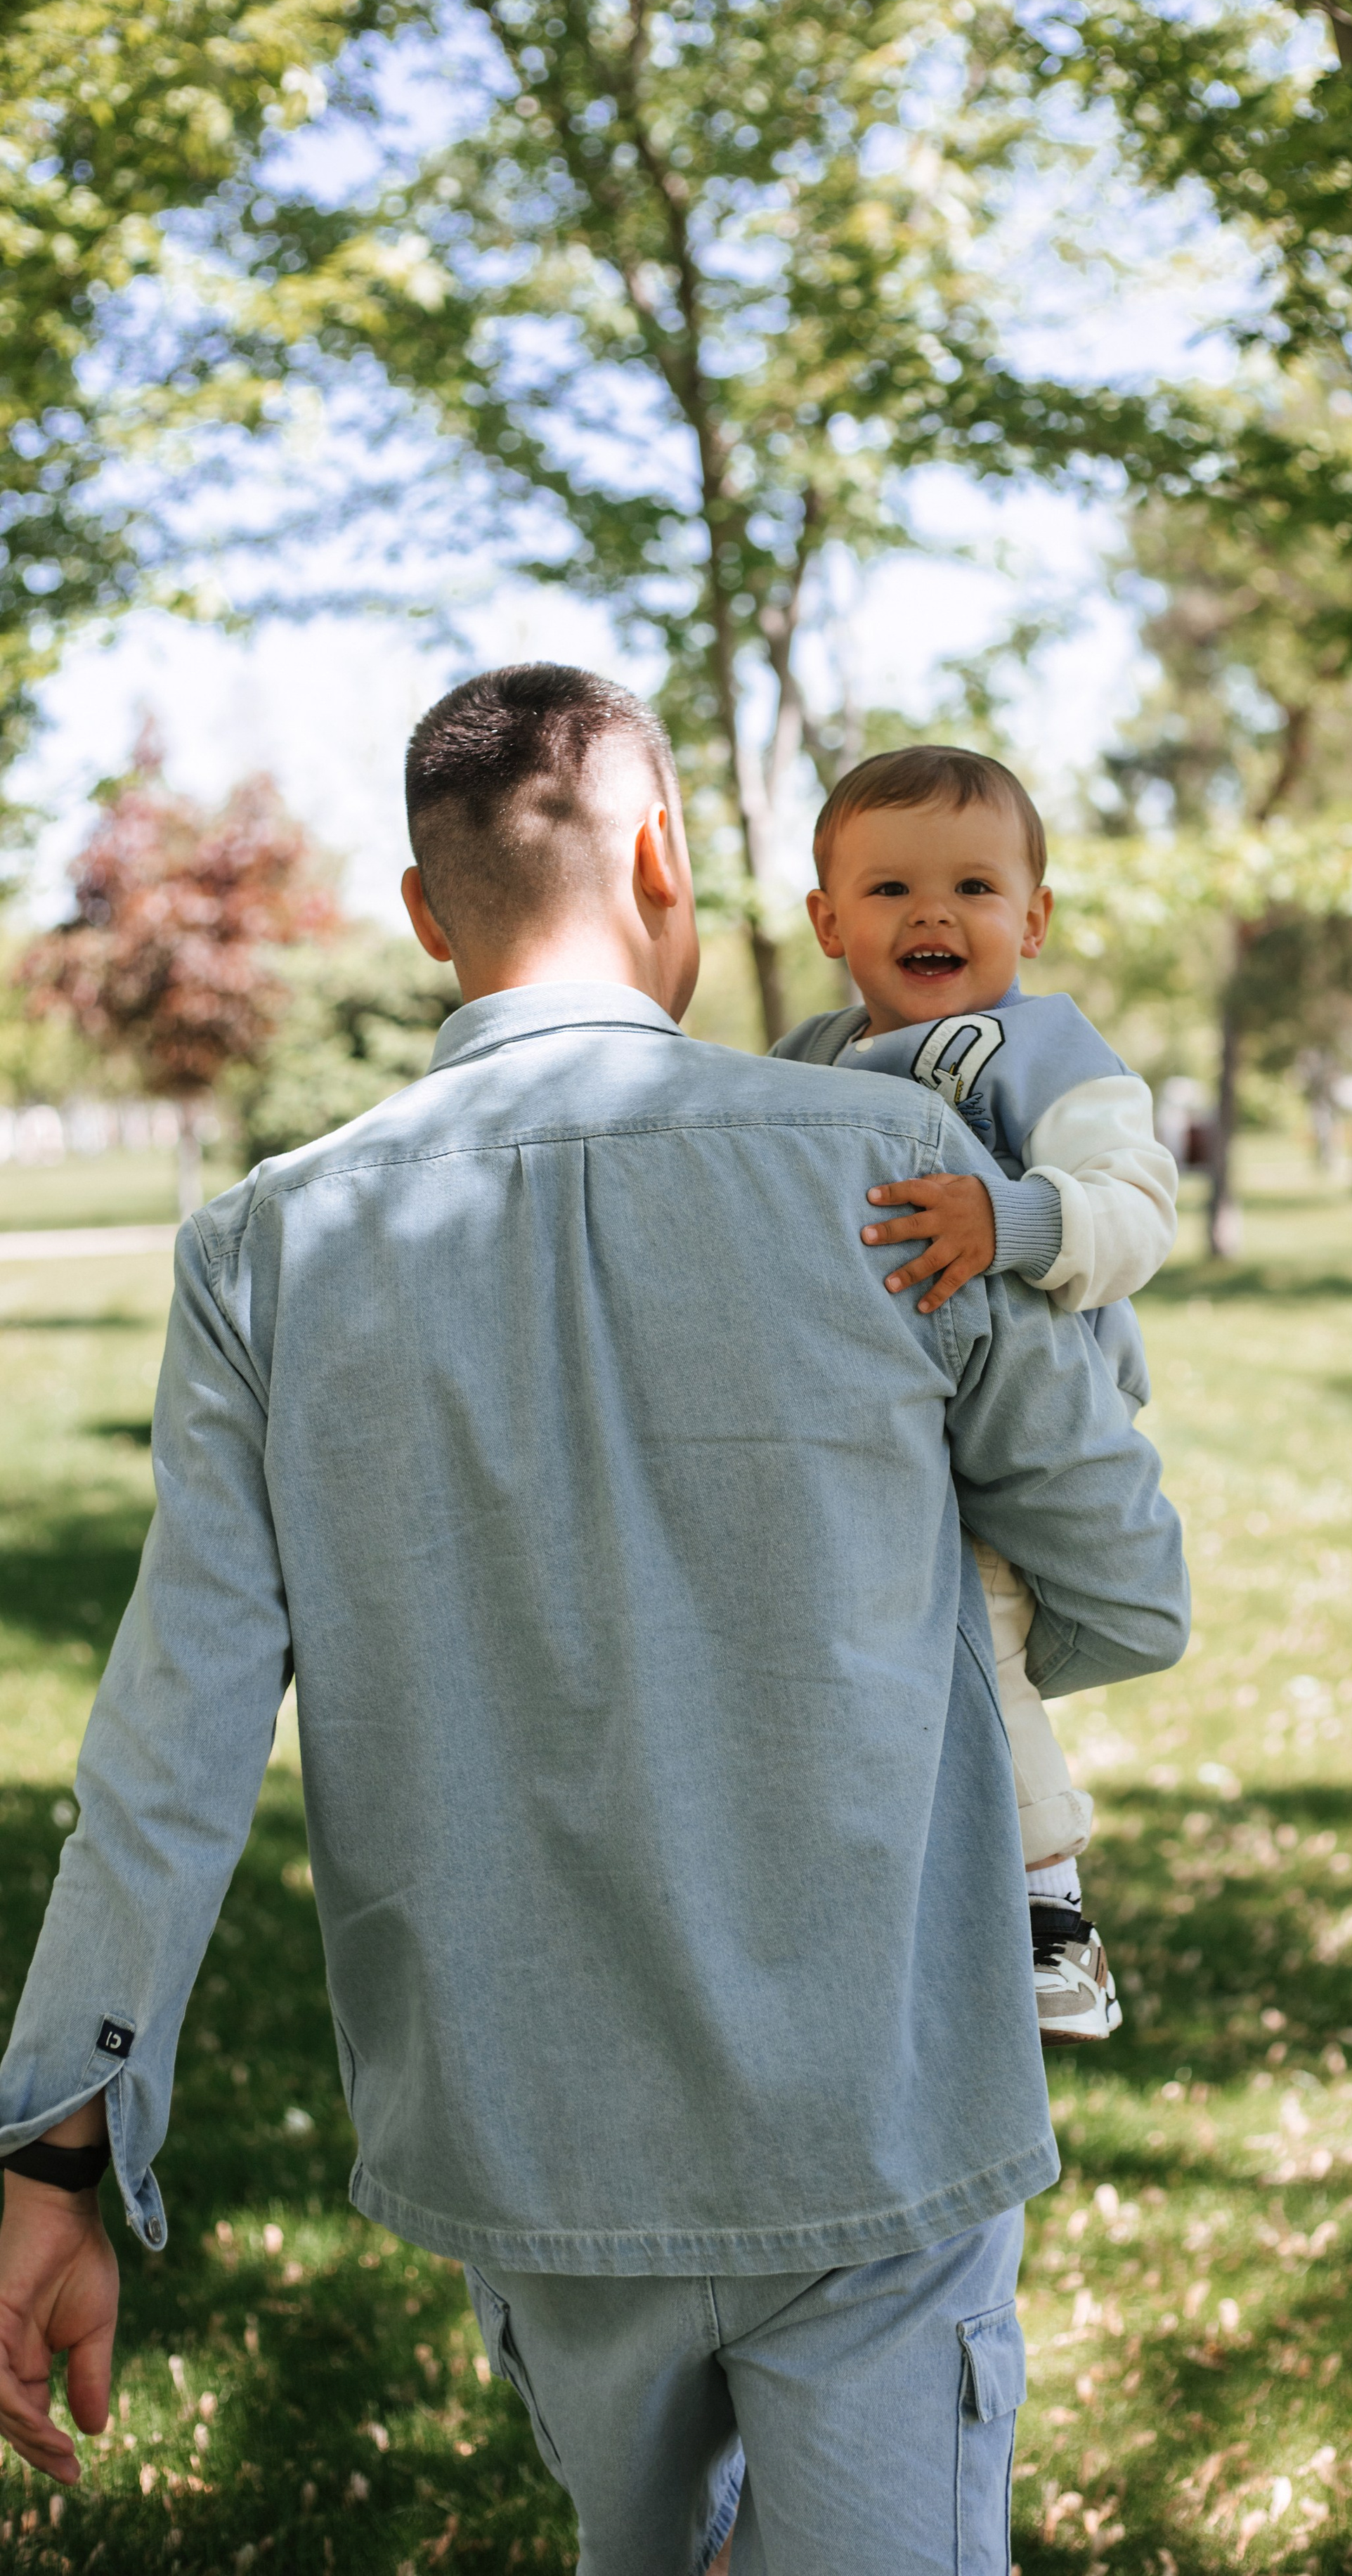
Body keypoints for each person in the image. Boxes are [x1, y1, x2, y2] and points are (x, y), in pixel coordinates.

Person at [0, 666, 1188, 2575]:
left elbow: (172, 1741)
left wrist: (58, 2145)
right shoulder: (895, 1172)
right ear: (660, 861)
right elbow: (1134, 1593)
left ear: (421, 917)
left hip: (527, 2141)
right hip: (873, 2112)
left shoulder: (268, 1247)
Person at [775, 746, 1180, 2045]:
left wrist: (1013, 1219)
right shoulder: (808, 1058)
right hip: (876, 1409)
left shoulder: (1047, 1049)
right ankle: (893, 1893)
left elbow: (1137, 1207)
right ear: (829, 921)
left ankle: (1048, 1909)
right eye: (890, 888)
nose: (932, 916)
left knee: (980, 1635)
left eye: (973, 887)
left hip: (1028, 1403)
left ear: (1034, 917)